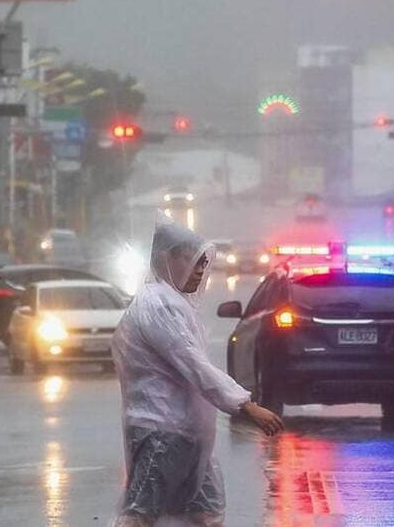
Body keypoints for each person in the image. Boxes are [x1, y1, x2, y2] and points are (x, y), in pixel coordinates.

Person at [112, 222, 283, 526]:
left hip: (187, 434)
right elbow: (193, 363)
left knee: (207, 512)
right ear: (169, 259)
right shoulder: (157, 305)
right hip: (161, 432)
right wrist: (247, 406)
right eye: (193, 262)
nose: (200, 271)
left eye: (203, 264)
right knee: (139, 516)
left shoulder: (174, 304)